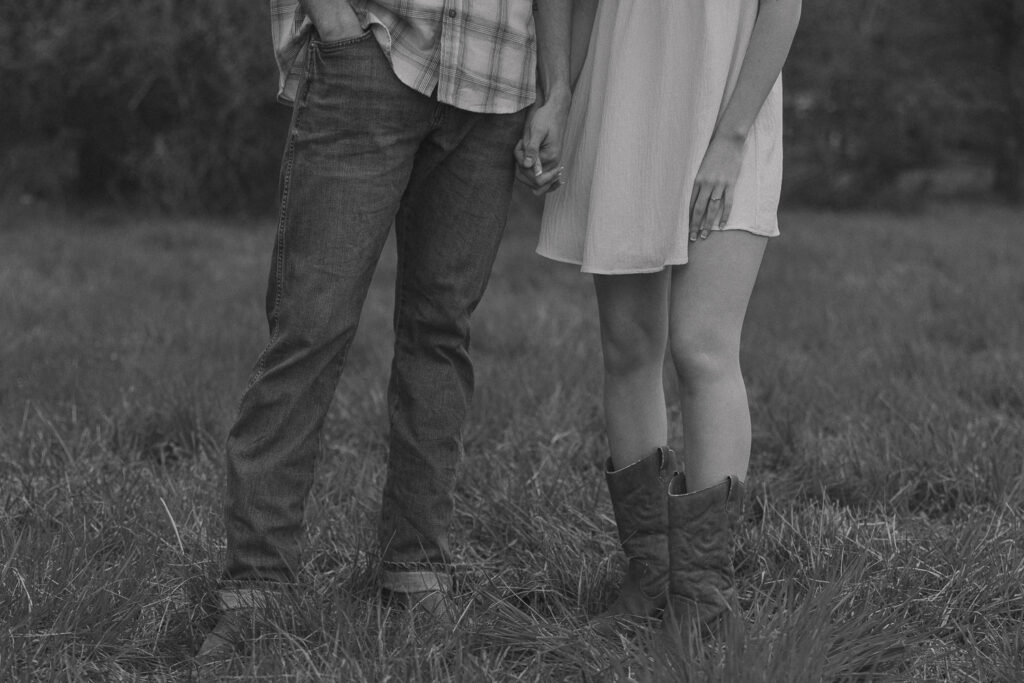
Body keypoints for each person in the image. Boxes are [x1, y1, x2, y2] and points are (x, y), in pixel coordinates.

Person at [198, 0, 571, 662]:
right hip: (372, 55)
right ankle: (256, 588)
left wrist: (557, 87)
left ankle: (415, 573)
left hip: (495, 83)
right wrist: (335, 24)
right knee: (309, 328)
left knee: (440, 333)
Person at [520, 0, 802, 637]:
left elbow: (782, 8)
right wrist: (557, 93)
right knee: (627, 346)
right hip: (624, 100)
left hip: (730, 106)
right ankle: (648, 577)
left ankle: (703, 601)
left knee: (702, 347)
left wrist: (730, 141)